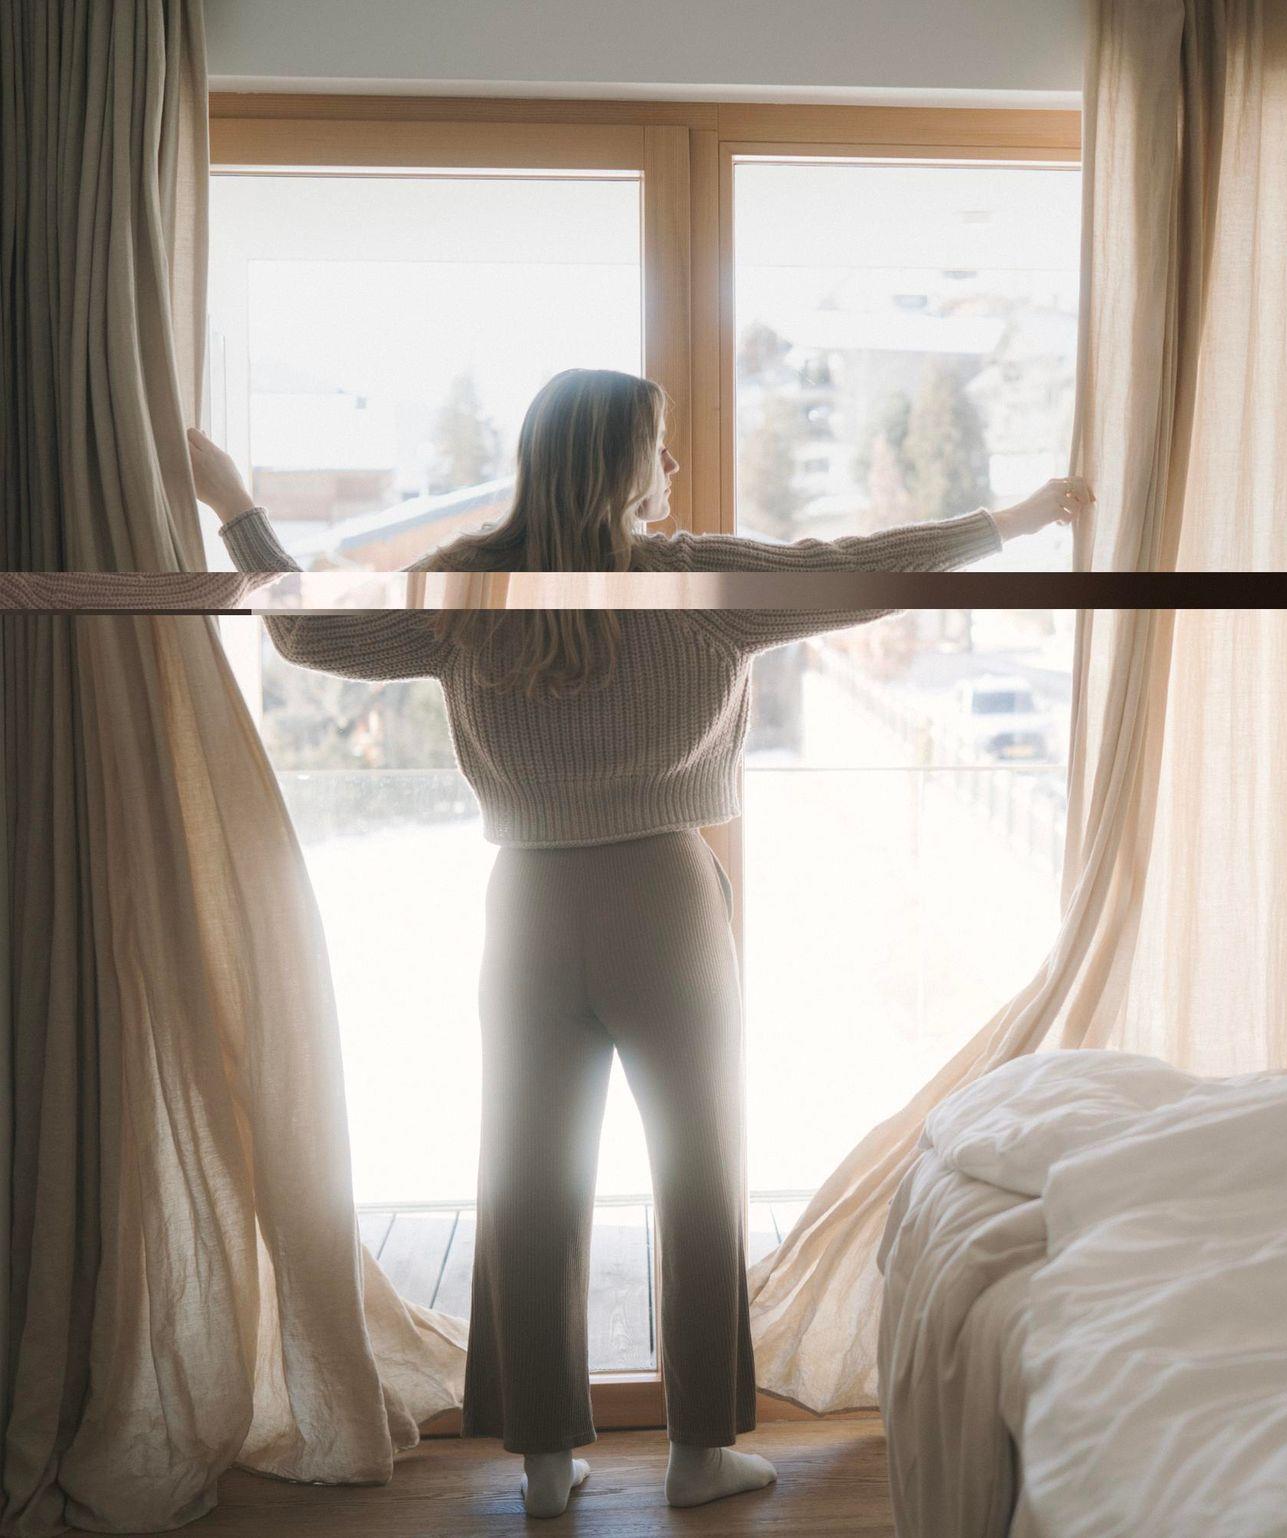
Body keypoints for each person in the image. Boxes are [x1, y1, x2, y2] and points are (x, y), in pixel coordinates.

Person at [185, 367, 1089, 1518]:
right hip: (663, 899)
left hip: (528, 904)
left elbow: (303, 631)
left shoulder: (466, 583)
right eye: (656, 446)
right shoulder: (699, 581)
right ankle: (698, 1450)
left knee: (528, 1172)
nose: (671, 467)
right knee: (698, 1169)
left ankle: (543, 1461)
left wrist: (232, 500)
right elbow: (868, 564)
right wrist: (1016, 518)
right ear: (621, 463)